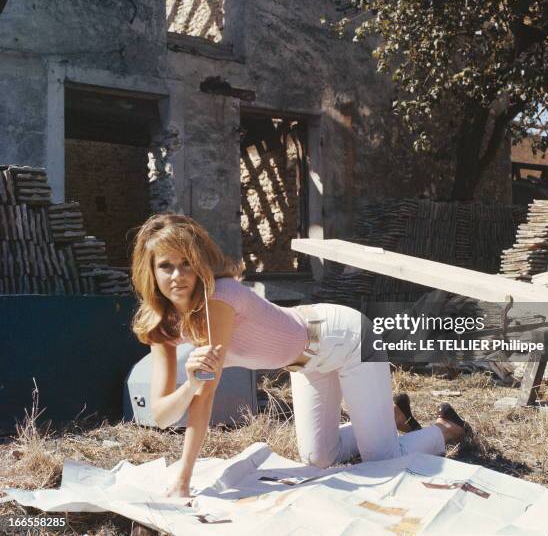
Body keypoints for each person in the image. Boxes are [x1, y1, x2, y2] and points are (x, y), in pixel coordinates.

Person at [131, 213, 467, 497]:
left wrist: (184, 480)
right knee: (318, 459)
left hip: (344, 336)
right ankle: (389, 416)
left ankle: (446, 427)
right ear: (151, 271)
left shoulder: (217, 300)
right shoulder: (161, 326)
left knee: (381, 460)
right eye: (166, 266)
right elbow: (161, 415)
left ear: (201, 263)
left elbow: (204, 400)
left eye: (187, 263)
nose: (178, 275)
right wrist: (188, 385)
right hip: (306, 361)